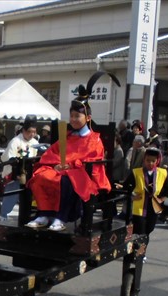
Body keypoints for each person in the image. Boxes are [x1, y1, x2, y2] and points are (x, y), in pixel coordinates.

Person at [25, 72, 114, 231]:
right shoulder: (66, 136)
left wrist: (71, 166)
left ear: (87, 117)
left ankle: (61, 217)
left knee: (68, 180)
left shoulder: (95, 139)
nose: (72, 119)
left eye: (77, 116)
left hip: (82, 172)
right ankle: (44, 213)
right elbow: (52, 153)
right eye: (71, 116)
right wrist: (56, 165)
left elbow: (94, 160)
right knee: (40, 177)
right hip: (61, 170)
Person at [118, 148, 167, 240]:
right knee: (139, 231)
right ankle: (138, 253)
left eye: (153, 161)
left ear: (157, 161)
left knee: (149, 230)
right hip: (139, 207)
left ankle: (141, 251)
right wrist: (132, 196)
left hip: (153, 208)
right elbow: (126, 187)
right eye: (148, 160)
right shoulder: (136, 172)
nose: (150, 163)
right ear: (144, 160)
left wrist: (161, 199)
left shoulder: (163, 173)